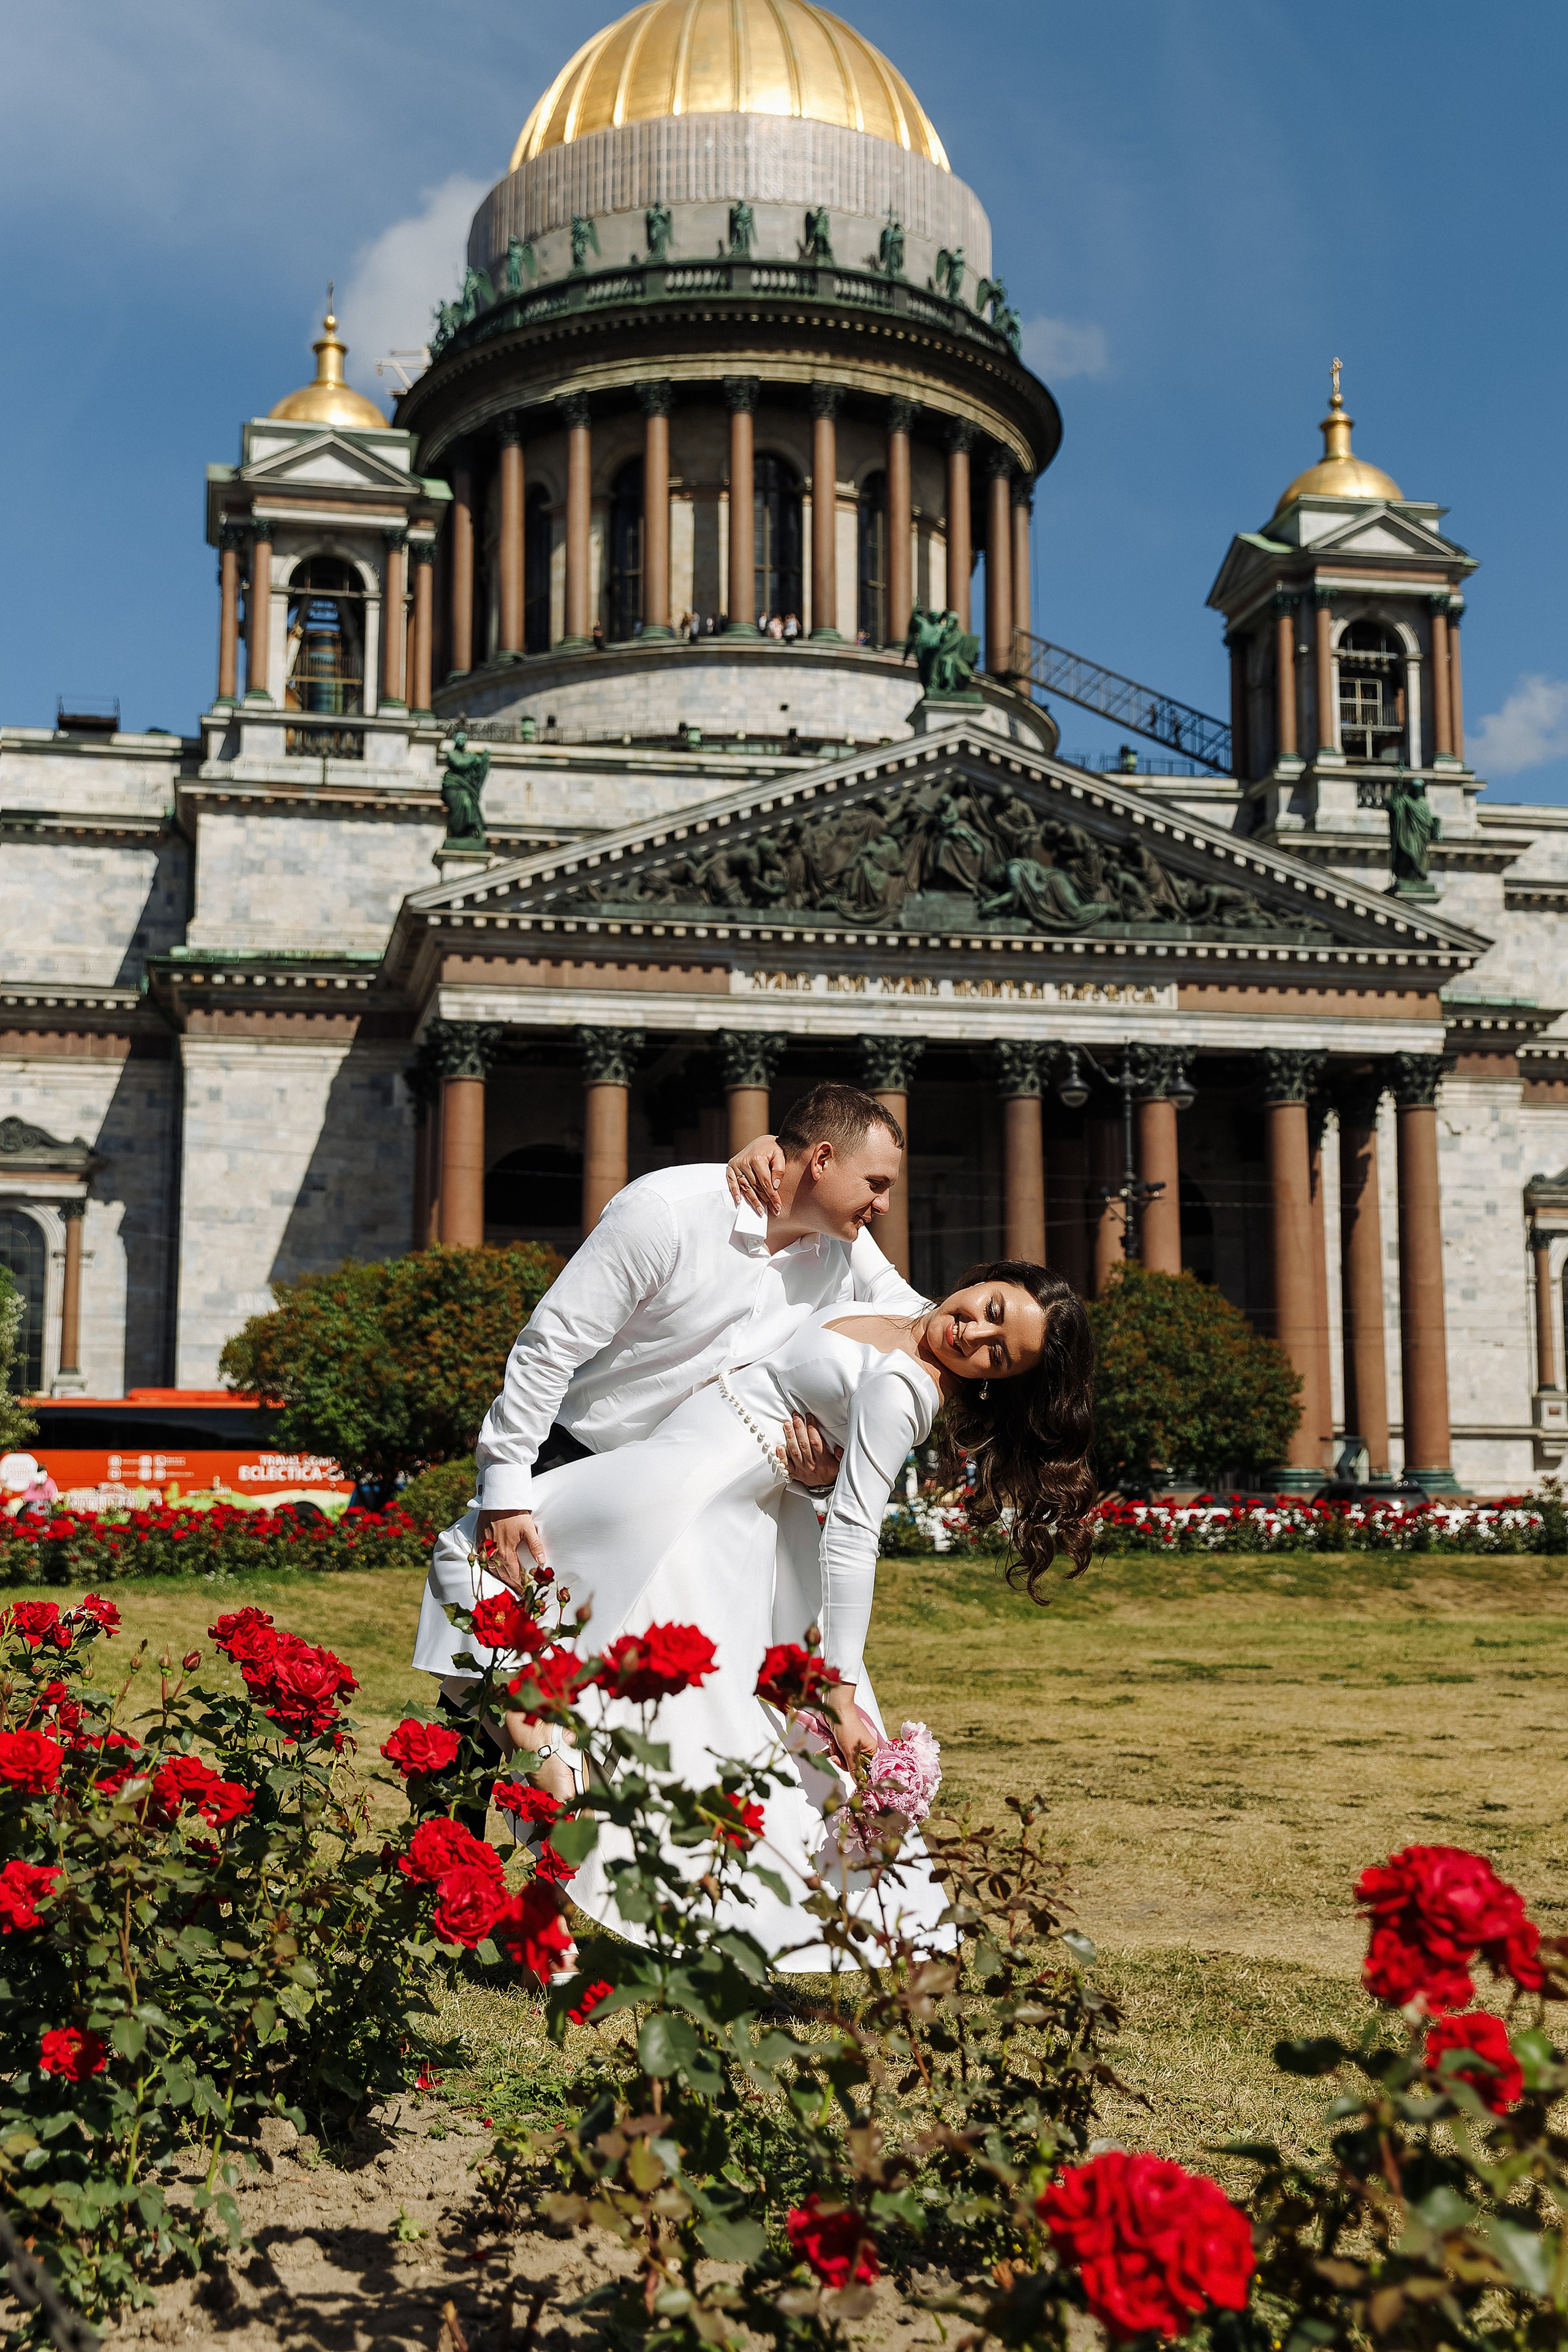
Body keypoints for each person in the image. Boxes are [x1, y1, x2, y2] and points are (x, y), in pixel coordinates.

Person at [415, 1265, 1096, 1967]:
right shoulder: (901, 1308)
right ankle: (549, 1843)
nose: (974, 1333)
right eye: (989, 1309)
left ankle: (551, 1766)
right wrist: (764, 1157)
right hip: (693, 1489)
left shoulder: (904, 1388)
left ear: (995, 1381)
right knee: (651, 1709)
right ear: (985, 1279)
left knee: (473, 1563)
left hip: (685, 1491)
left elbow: (857, 1534)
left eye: (996, 1353)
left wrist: (838, 1689)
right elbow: (843, 1203)